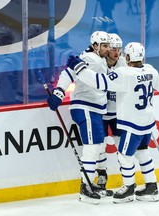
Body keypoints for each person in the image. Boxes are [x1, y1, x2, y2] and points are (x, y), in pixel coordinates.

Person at [66, 42, 159, 203]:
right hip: (148, 124)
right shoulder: (151, 70)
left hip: (132, 125)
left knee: (124, 156)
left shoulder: (124, 74)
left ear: (129, 57)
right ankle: (151, 186)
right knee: (142, 152)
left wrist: (80, 68)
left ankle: (129, 188)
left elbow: (99, 81)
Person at [47, 31, 111, 204]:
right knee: (92, 148)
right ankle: (85, 189)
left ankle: (90, 184)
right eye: (104, 46)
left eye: (108, 46)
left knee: (97, 146)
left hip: (94, 109)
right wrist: (59, 93)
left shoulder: (97, 59)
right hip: (86, 107)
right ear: (96, 45)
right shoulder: (91, 58)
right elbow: (68, 73)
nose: (107, 49)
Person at [96, 33, 127, 191]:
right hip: (101, 113)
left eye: (119, 49)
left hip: (118, 114)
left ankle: (127, 180)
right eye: (113, 49)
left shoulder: (123, 64)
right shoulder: (99, 63)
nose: (116, 52)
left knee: (121, 147)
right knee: (100, 146)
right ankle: (102, 177)